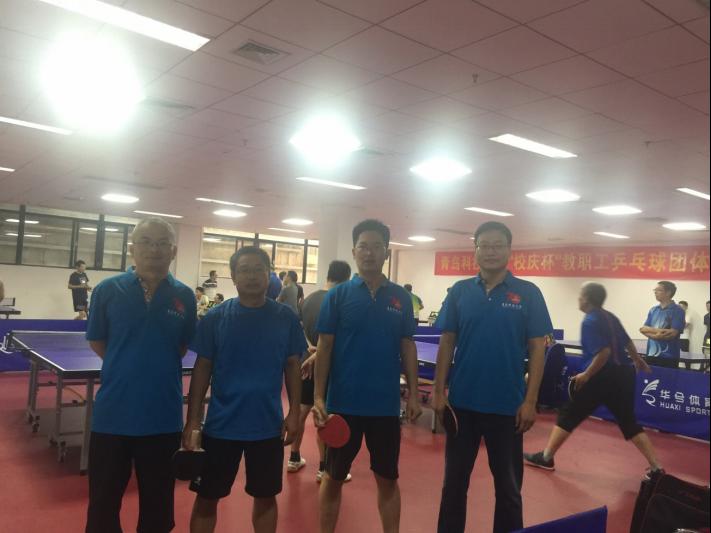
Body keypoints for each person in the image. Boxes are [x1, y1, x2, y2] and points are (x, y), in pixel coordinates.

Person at [433, 221, 552, 533]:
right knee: (453, 485)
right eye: (484, 245)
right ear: (475, 250)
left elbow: (537, 349)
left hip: (507, 407)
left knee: (509, 491)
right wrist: (438, 391)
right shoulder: (459, 292)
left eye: (498, 245)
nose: (490, 251)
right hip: (462, 405)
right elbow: (447, 341)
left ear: (509, 250)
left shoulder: (528, 293)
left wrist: (530, 400)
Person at [84, 217, 197, 533]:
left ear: (173, 251)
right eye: (146, 242)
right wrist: (127, 364)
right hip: (112, 415)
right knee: (103, 504)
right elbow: (98, 340)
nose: (154, 249)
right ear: (131, 248)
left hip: (163, 417)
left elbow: (182, 345)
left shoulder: (185, 296)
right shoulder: (107, 290)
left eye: (162, 243)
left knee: (158, 506)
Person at [183, 246, 305, 533]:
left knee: (265, 498)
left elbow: (292, 365)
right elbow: (202, 369)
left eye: (258, 269)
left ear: (269, 274)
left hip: (268, 427)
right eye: (244, 270)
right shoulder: (215, 318)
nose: (252, 276)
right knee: (207, 497)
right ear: (234, 276)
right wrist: (193, 420)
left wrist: (294, 413)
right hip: (220, 427)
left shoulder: (286, 318)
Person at [313, 219, 422, 533]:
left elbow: (407, 346)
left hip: (384, 407)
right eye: (363, 246)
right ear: (353, 251)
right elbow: (325, 346)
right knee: (333, 477)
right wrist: (319, 396)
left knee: (387, 479)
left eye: (376, 247)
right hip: (343, 405)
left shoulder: (400, 298)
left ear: (386, 252)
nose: (369, 253)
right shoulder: (337, 296)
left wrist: (414, 394)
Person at [524, 282, 663, 479]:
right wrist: (637, 360)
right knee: (628, 422)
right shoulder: (610, 317)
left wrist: (586, 375)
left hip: (601, 375)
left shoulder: (589, 321)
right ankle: (656, 468)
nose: (578, 299)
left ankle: (546, 458)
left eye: (580, 295)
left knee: (569, 414)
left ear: (587, 299)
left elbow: (603, 352)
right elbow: (627, 342)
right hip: (624, 374)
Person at [288, 259, 352, 482]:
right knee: (324, 413)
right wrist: (320, 352)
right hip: (328, 364)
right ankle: (324, 467)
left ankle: (294, 458)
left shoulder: (308, 299)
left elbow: (300, 328)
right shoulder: (339, 300)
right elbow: (336, 339)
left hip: (306, 360)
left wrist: (310, 348)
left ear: (328, 275)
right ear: (347, 278)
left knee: (303, 410)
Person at [639, 281, 685, 369]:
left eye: (659, 290)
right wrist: (657, 335)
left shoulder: (678, 311)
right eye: (655, 290)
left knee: (667, 378)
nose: (655, 292)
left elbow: (672, 334)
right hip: (651, 354)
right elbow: (643, 329)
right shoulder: (653, 310)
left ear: (668, 292)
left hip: (669, 356)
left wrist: (650, 330)